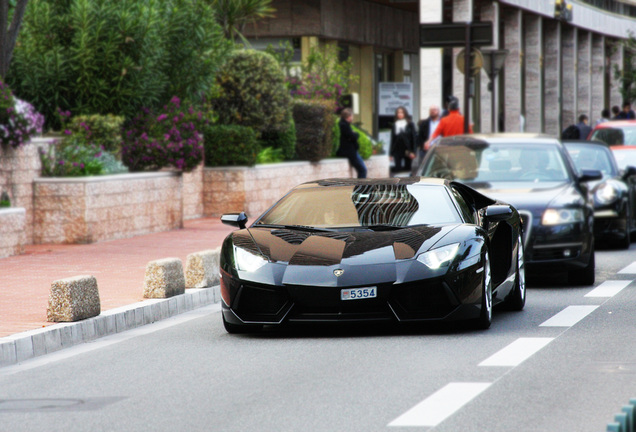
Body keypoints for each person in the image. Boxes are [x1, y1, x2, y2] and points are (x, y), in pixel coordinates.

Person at [337, 108, 367, 179]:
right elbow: (352, 136)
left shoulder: (345, 124)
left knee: (362, 170)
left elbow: (352, 136)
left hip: (352, 151)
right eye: (352, 116)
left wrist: (354, 134)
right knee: (363, 170)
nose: (352, 118)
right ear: (349, 116)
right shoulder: (344, 125)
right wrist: (355, 134)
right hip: (351, 152)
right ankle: (360, 188)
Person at [389, 106, 417, 174]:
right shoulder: (395, 125)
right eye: (398, 113)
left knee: (407, 169)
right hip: (397, 150)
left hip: (407, 149)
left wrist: (413, 151)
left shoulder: (410, 124)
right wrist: (390, 154)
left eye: (401, 112)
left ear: (405, 113)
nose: (400, 114)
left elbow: (414, 138)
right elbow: (392, 139)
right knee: (397, 169)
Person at [413, 104, 441, 174]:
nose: (432, 112)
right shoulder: (424, 123)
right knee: (425, 169)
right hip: (426, 149)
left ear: (438, 111)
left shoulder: (442, 122)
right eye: (431, 110)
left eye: (434, 110)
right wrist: (423, 146)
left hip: (440, 148)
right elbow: (419, 137)